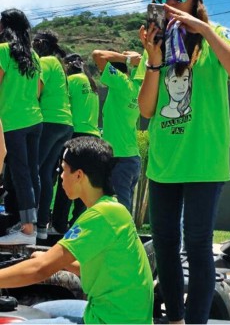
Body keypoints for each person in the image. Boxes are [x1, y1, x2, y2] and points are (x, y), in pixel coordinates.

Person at [136, 0, 230, 324]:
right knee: (166, 245)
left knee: (198, 245)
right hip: (165, 161)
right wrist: (154, 61)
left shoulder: (215, 34)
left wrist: (203, 28)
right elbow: (147, 108)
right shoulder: (155, 45)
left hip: (204, 159)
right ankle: (176, 320)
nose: (170, 2)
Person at [0, 137, 153, 323]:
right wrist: (59, 262)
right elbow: (98, 269)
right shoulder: (111, 209)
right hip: (117, 314)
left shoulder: (100, 215)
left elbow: (39, 270)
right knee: (37, 310)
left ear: (79, 175)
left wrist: (46, 262)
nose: (61, 175)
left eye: (63, 169)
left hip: (111, 319)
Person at [0, 8, 42, 245]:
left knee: (20, 173)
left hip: (12, 121)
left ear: (5, 26)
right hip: (34, 120)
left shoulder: (3, 52)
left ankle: (27, 230)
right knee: (30, 172)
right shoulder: (34, 57)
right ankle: (29, 223)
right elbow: (37, 91)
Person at [51, 53, 100, 234]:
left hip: (76, 134)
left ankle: (58, 225)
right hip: (94, 136)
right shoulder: (92, 84)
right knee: (84, 184)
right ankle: (77, 224)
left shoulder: (71, 81)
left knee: (67, 183)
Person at [32, 30, 74, 240]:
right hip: (65, 124)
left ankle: (28, 225)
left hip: (49, 121)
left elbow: (35, 91)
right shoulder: (59, 65)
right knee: (45, 174)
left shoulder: (46, 62)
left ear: (39, 44)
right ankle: (40, 225)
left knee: (33, 171)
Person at [93, 49, 142, 212]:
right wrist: (134, 59)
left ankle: (124, 237)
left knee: (120, 210)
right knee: (123, 208)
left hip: (120, 159)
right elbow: (141, 65)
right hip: (132, 158)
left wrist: (126, 58)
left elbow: (97, 55)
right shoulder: (138, 86)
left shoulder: (121, 83)